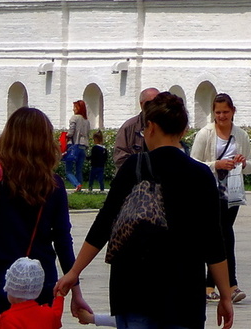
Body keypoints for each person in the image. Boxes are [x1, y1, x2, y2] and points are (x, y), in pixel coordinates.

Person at [55, 89, 233, 329]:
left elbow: (104, 224)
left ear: (150, 127)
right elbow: (213, 240)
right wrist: (224, 295)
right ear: (183, 131)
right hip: (183, 295)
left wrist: (74, 272)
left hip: (133, 289)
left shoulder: (134, 167)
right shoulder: (200, 175)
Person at [0, 107, 85, 323]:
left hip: (2, 280)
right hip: (41, 281)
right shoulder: (54, 185)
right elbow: (62, 241)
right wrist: (76, 293)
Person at [193, 93, 251, 305]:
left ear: (233, 111)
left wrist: (243, 163)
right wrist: (216, 165)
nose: (222, 116)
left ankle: (212, 286)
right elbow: (193, 163)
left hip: (232, 192)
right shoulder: (205, 134)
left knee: (221, 235)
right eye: (218, 112)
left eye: (225, 112)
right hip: (209, 193)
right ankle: (229, 284)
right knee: (223, 236)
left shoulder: (241, 135)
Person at [113, 87, 160, 171]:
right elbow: (120, 157)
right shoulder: (128, 128)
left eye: (157, 102)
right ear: (141, 104)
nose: (153, 106)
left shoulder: (166, 126)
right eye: (149, 103)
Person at [63, 100, 92, 194]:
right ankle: (80, 187)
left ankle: (77, 184)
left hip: (75, 145)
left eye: (75, 107)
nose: (73, 109)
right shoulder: (86, 121)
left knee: (68, 170)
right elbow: (88, 133)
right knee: (79, 169)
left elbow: (71, 132)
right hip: (84, 146)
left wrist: (65, 137)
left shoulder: (74, 118)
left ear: (78, 108)